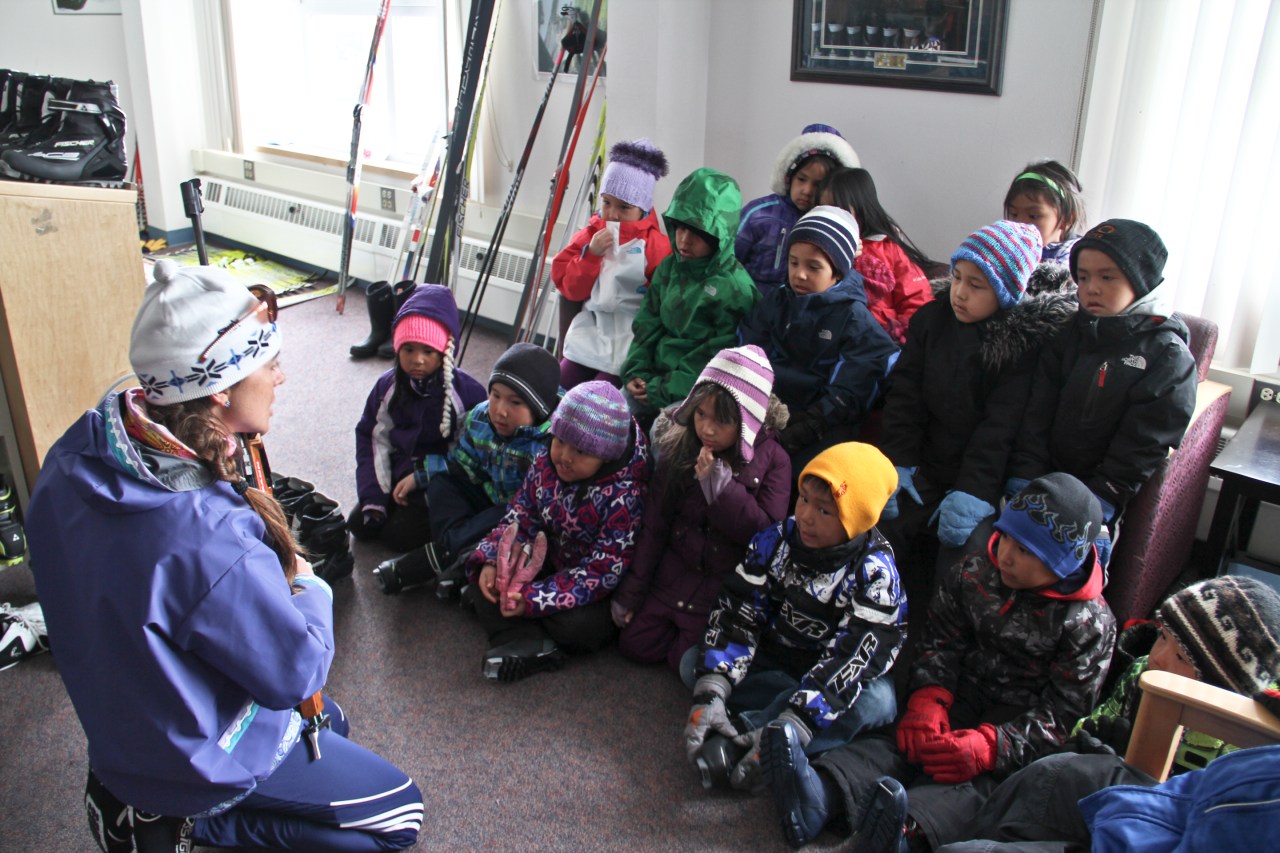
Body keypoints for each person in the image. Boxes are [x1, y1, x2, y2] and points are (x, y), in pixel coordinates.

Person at [25, 259, 422, 852]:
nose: (282, 378)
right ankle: (186, 828)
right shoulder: (209, 536)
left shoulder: (74, 450)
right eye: (271, 363)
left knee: (332, 722)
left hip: (125, 720)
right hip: (186, 761)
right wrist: (308, 587)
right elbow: (296, 672)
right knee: (398, 816)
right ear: (219, 389)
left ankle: (150, 806)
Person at [764, 473, 1116, 849]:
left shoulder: (1090, 624)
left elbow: (1063, 714)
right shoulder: (976, 572)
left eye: (1026, 551)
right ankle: (820, 795)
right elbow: (939, 638)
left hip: (1011, 728)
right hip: (955, 694)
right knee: (899, 744)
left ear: (1062, 563)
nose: (1007, 554)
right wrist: (928, 697)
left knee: (972, 792)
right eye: (1007, 536)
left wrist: (993, 747)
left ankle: (899, 835)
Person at [876, 575, 1280, 853]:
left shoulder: (1240, 742)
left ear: (1221, 682)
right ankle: (906, 829)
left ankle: (917, 831)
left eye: (1179, 656)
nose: (1156, 657)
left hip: (1141, 817)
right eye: (1163, 637)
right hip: (1099, 782)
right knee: (1029, 785)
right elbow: (1088, 725)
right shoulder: (1143, 674)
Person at [683, 442, 906, 795]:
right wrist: (711, 692)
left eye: (825, 511)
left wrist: (795, 721)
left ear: (856, 522)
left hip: (831, 670)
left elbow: (850, 661)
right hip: (777, 655)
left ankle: (764, 739)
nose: (805, 516)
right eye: (803, 499)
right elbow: (740, 611)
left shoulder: (876, 577)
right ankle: (768, 716)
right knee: (693, 665)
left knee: (879, 702)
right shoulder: (779, 539)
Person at [877, 221, 1075, 599]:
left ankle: (938, 634)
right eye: (957, 278)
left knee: (963, 553)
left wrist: (973, 490)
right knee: (883, 525)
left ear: (1005, 293)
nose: (960, 293)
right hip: (922, 463)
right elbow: (905, 396)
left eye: (976, 285)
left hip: (978, 476)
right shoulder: (931, 321)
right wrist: (898, 461)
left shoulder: (1018, 347)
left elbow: (1000, 428)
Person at [1007, 219, 1197, 541]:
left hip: (1099, 499)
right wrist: (1025, 477)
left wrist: (1100, 502)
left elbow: (1142, 446)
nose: (1091, 287)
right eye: (1083, 277)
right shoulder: (1067, 334)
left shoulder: (1168, 357)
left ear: (1142, 281)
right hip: (1040, 480)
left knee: (1070, 579)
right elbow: (1035, 415)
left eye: (1107, 277)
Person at [613, 345, 792, 672]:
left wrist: (721, 489)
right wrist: (631, 594)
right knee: (633, 645)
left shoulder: (775, 460)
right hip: (671, 579)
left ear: (747, 421)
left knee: (687, 665)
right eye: (700, 414)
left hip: (718, 593)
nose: (707, 429)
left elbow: (766, 535)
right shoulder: (680, 446)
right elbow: (655, 526)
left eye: (721, 421)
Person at [464, 381, 650, 682]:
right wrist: (493, 560)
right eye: (560, 440)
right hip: (546, 563)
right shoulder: (544, 462)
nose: (564, 456)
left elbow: (602, 572)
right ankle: (531, 643)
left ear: (607, 455)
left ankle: (522, 638)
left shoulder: (624, 497)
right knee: (480, 577)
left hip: (590, 591)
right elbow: (521, 516)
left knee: (580, 628)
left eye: (580, 451)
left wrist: (535, 598)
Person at [374, 342, 562, 597]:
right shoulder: (481, 418)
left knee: (507, 513)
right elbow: (461, 464)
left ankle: (440, 557)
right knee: (442, 483)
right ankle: (459, 560)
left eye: (515, 402)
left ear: (539, 409)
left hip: (520, 517)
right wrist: (421, 475)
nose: (501, 410)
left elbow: (538, 510)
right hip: (486, 498)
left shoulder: (551, 444)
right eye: (495, 395)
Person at [738, 205, 897, 472]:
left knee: (797, 474)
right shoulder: (777, 301)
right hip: (766, 405)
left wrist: (810, 425)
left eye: (814, 267)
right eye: (793, 262)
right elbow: (749, 349)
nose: (800, 274)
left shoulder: (854, 318)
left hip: (819, 423)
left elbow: (851, 390)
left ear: (837, 272)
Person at [348, 284, 486, 553]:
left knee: (399, 537)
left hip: (441, 476)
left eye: (428, 351)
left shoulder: (468, 393)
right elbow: (373, 438)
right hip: (399, 467)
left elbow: (470, 458)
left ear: (444, 353)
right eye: (408, 349)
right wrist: (377, 494)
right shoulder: (387, 385)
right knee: (361, 524)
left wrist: (420, 477)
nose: (417, 360)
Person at [620, 167, 759, 430]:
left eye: (696, 232)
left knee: (663, 433)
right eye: (680, 227)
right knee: (612, 412)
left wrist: (663, 388)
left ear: (718, 235)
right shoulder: (670, 267)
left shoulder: (735, 288)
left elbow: (719, 355)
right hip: (653, 378)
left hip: (698, 388)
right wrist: (636, 371)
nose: (683, 239)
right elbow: (647, 325)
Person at [552, 138, 672, 389]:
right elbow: (568, 287)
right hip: (592, 331)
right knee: (560, 387)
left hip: (630, 341)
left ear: (643, 209)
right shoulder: (590, 235)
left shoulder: (656, 246)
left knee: (599, 397)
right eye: (606, 202)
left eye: (624, 207)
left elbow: (666, 301)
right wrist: (591, 255)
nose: (612, 214)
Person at [736, 123, 860, 294]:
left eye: (818, 184)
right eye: (802, 179)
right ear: (789, 177)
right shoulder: (759, 213)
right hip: (751, 304)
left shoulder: (837, 225)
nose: (807, 190)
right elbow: (729, 262)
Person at [818, 167, 933, 343]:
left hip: (882, 341)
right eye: (826, 210)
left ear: (860, 207)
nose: (834, 217)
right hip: (831, 337)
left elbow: (916, 299)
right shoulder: (817, 247)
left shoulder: (888, 249)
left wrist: (902, 337)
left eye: (840, 209)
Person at [1002, 159, 1086, 265]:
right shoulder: (1011, 250)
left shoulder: (1071, 262)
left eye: (1033, 216)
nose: (1020, 224)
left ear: (1067, 220)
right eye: (1014, 214)